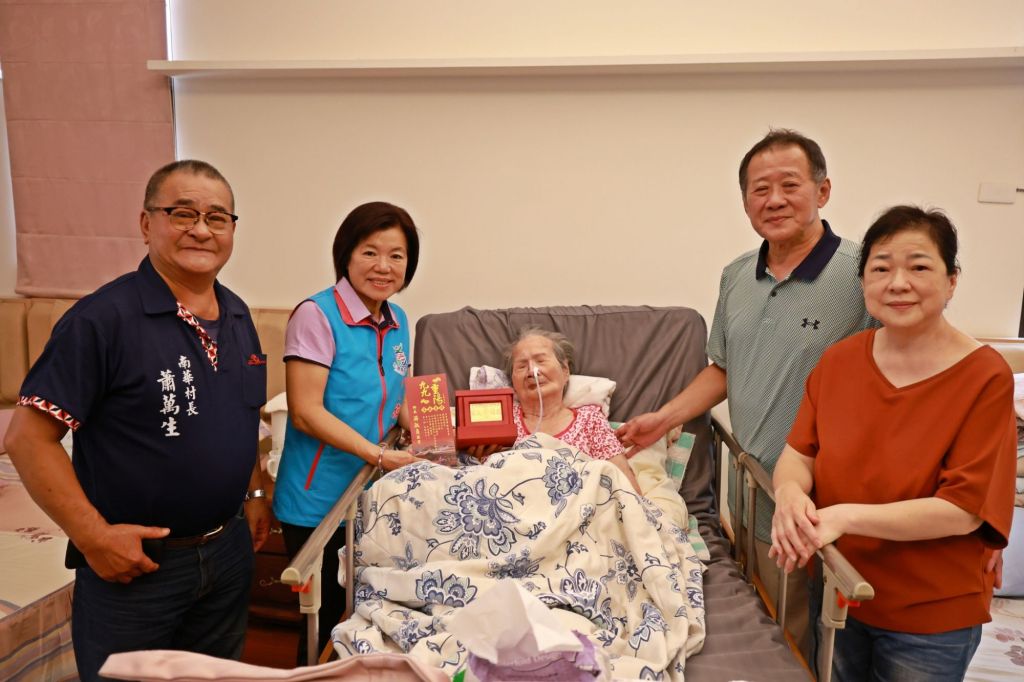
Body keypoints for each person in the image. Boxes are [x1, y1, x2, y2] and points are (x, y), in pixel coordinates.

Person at [3, 160, 269, 680]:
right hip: (137, 567)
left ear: (232, 230)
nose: (201, 229)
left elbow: (242, 415)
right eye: (183, 213)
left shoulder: (238, 315)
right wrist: (94, 537)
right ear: (147, 224)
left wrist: (255, 493)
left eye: (217, 218)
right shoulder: (101, 320)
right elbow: (27, 439)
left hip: (228, 552)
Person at [615, 129, 874, 660]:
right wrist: (664, 418)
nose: (774, 200)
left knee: (839, 643)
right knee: (781, 628)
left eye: (790, 185)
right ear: (745, 202)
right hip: (759, 493)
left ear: (823, 191)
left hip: (834, 498)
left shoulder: (860, 273)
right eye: (760, 189)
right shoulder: (736, 276)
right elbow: (725, 369)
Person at [770, 205, 1016, 681]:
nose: (898, 283)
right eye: (881, 268)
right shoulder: (839, 362)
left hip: (930, 614)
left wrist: (843, 517)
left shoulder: (984, 376)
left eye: (919, 267)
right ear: (864, 282)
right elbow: (798, 455)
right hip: (840, 587)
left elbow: (962, 509)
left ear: (952, 281)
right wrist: (789, 494)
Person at [271, 201, 424, 662]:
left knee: (367, 615)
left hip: (372, 495)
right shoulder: (316, 315)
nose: (383, 266)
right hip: (317, 500)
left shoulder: (398, 320)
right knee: (324, 622)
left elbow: (396, 397)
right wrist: (377, 455)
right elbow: (305, 412)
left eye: (396, 255)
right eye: (370, 252)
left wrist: (432, 437)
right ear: (346, 255)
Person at [471, 327, 641, 494]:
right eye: (521, 366)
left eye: (541, 361)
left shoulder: (590, 419)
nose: (532, 371)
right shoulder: (500, 418)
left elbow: (627, 488)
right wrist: (477, 457)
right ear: (513, 382)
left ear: (565, 371)